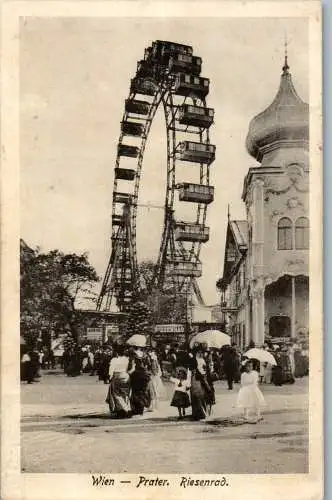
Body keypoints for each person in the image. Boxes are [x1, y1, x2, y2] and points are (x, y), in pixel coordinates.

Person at [190, 345, 215, 421]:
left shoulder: (203, 359)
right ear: (196, 353)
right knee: (197, 395)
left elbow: (206, 368)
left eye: (201, 352)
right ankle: (197, 414)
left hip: (203, 378)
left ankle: (203, 413)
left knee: (204, 395)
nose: (200, 354)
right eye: (198, 352)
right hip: (196, 379)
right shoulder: (193, 360)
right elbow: (192, 369)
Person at [106, 345, 131, 418]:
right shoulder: (127, 359)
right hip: (126, 376)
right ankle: (124, 409)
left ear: (117, 352)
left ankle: (123, 409)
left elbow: (111, 369)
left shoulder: (114, 360)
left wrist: (110, 377)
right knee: (125, 394)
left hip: (117, 376)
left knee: (116, 394)